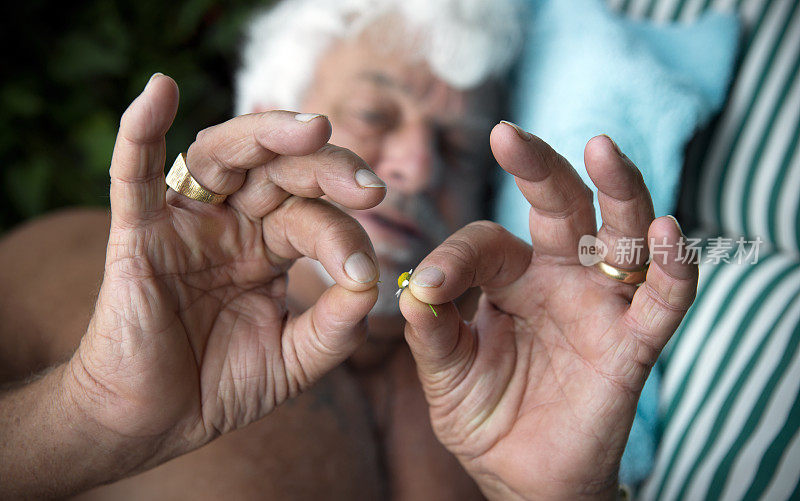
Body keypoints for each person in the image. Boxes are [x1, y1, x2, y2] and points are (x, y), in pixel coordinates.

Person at [0, 0, 698, 498]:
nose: (420, 168)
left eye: (457, 150)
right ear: (272, 111)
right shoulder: (80, 263)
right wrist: (86, 414)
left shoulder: (505, 382)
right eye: (374, 115)